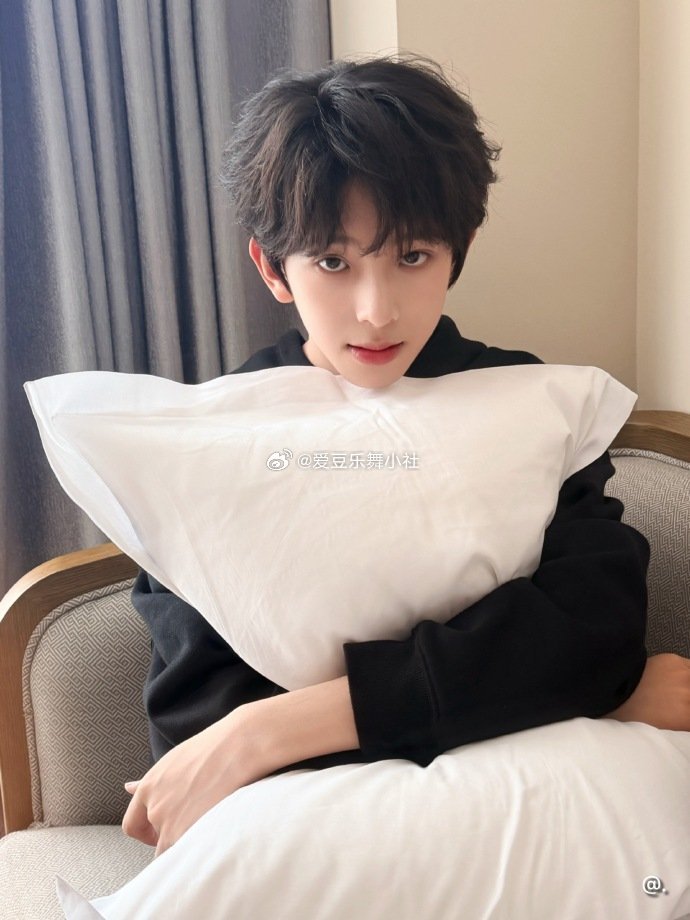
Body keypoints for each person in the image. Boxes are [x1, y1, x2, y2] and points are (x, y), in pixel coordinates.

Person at [122, 56, 690, 856]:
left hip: (527, 830)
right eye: (332, 262)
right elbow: (197, 725)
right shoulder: (212, 440)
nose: (376, 310)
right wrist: (582, 706)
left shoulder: (527, 401)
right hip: (316, 845)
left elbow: (594, 631)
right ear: (271, 268)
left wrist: (274, 727)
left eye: (413, 256)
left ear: (461, 248)